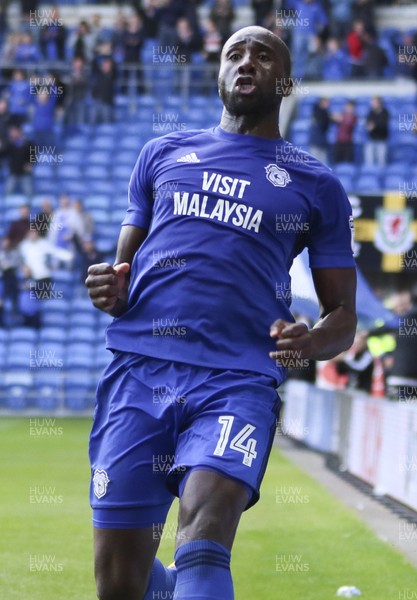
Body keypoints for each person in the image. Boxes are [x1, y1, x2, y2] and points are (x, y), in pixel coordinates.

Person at [86, 26, 357, 600]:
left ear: (284, 81)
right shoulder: (161, 155)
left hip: (237, 379)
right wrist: (108, 287)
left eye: (263, 55)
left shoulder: (315, 183)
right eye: (235, 53)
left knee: (205, 532)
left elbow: (344, 318)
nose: (247, 62)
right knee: (120, 583)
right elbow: (122, 276)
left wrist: (309, 343)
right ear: (219, 73)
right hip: (139, 371)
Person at [364, 96, 389, 166]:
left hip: (381, 140)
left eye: (374, 102)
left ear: (379, 103)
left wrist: (374, 126)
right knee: (369, 160)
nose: (372, 104)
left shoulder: (385, 112)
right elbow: (367, 123)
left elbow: (383, 124)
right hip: (371, 139)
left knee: (381, 160)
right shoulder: (371, 112)